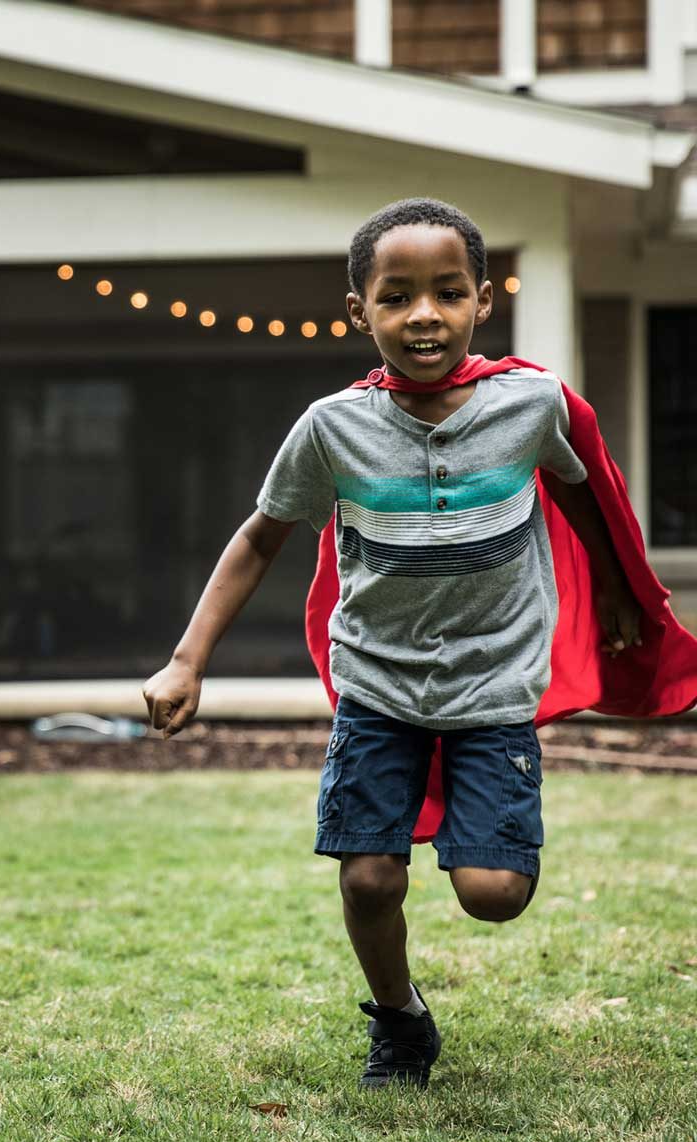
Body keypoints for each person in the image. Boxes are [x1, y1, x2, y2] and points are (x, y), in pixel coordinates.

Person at [141, 197, 691, 1089]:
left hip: (494, 689)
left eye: (446, 292)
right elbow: (258, 539)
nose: (423, 314)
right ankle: (400, 1020)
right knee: (368, 880)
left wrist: (621, 587)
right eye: (395, 297)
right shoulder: (332, 428)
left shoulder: (530, 403)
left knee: (494, 895)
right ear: (359, 311)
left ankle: (487, 852)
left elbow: (585, 490)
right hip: (378, 689)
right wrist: (186, 658)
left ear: (482, 299)